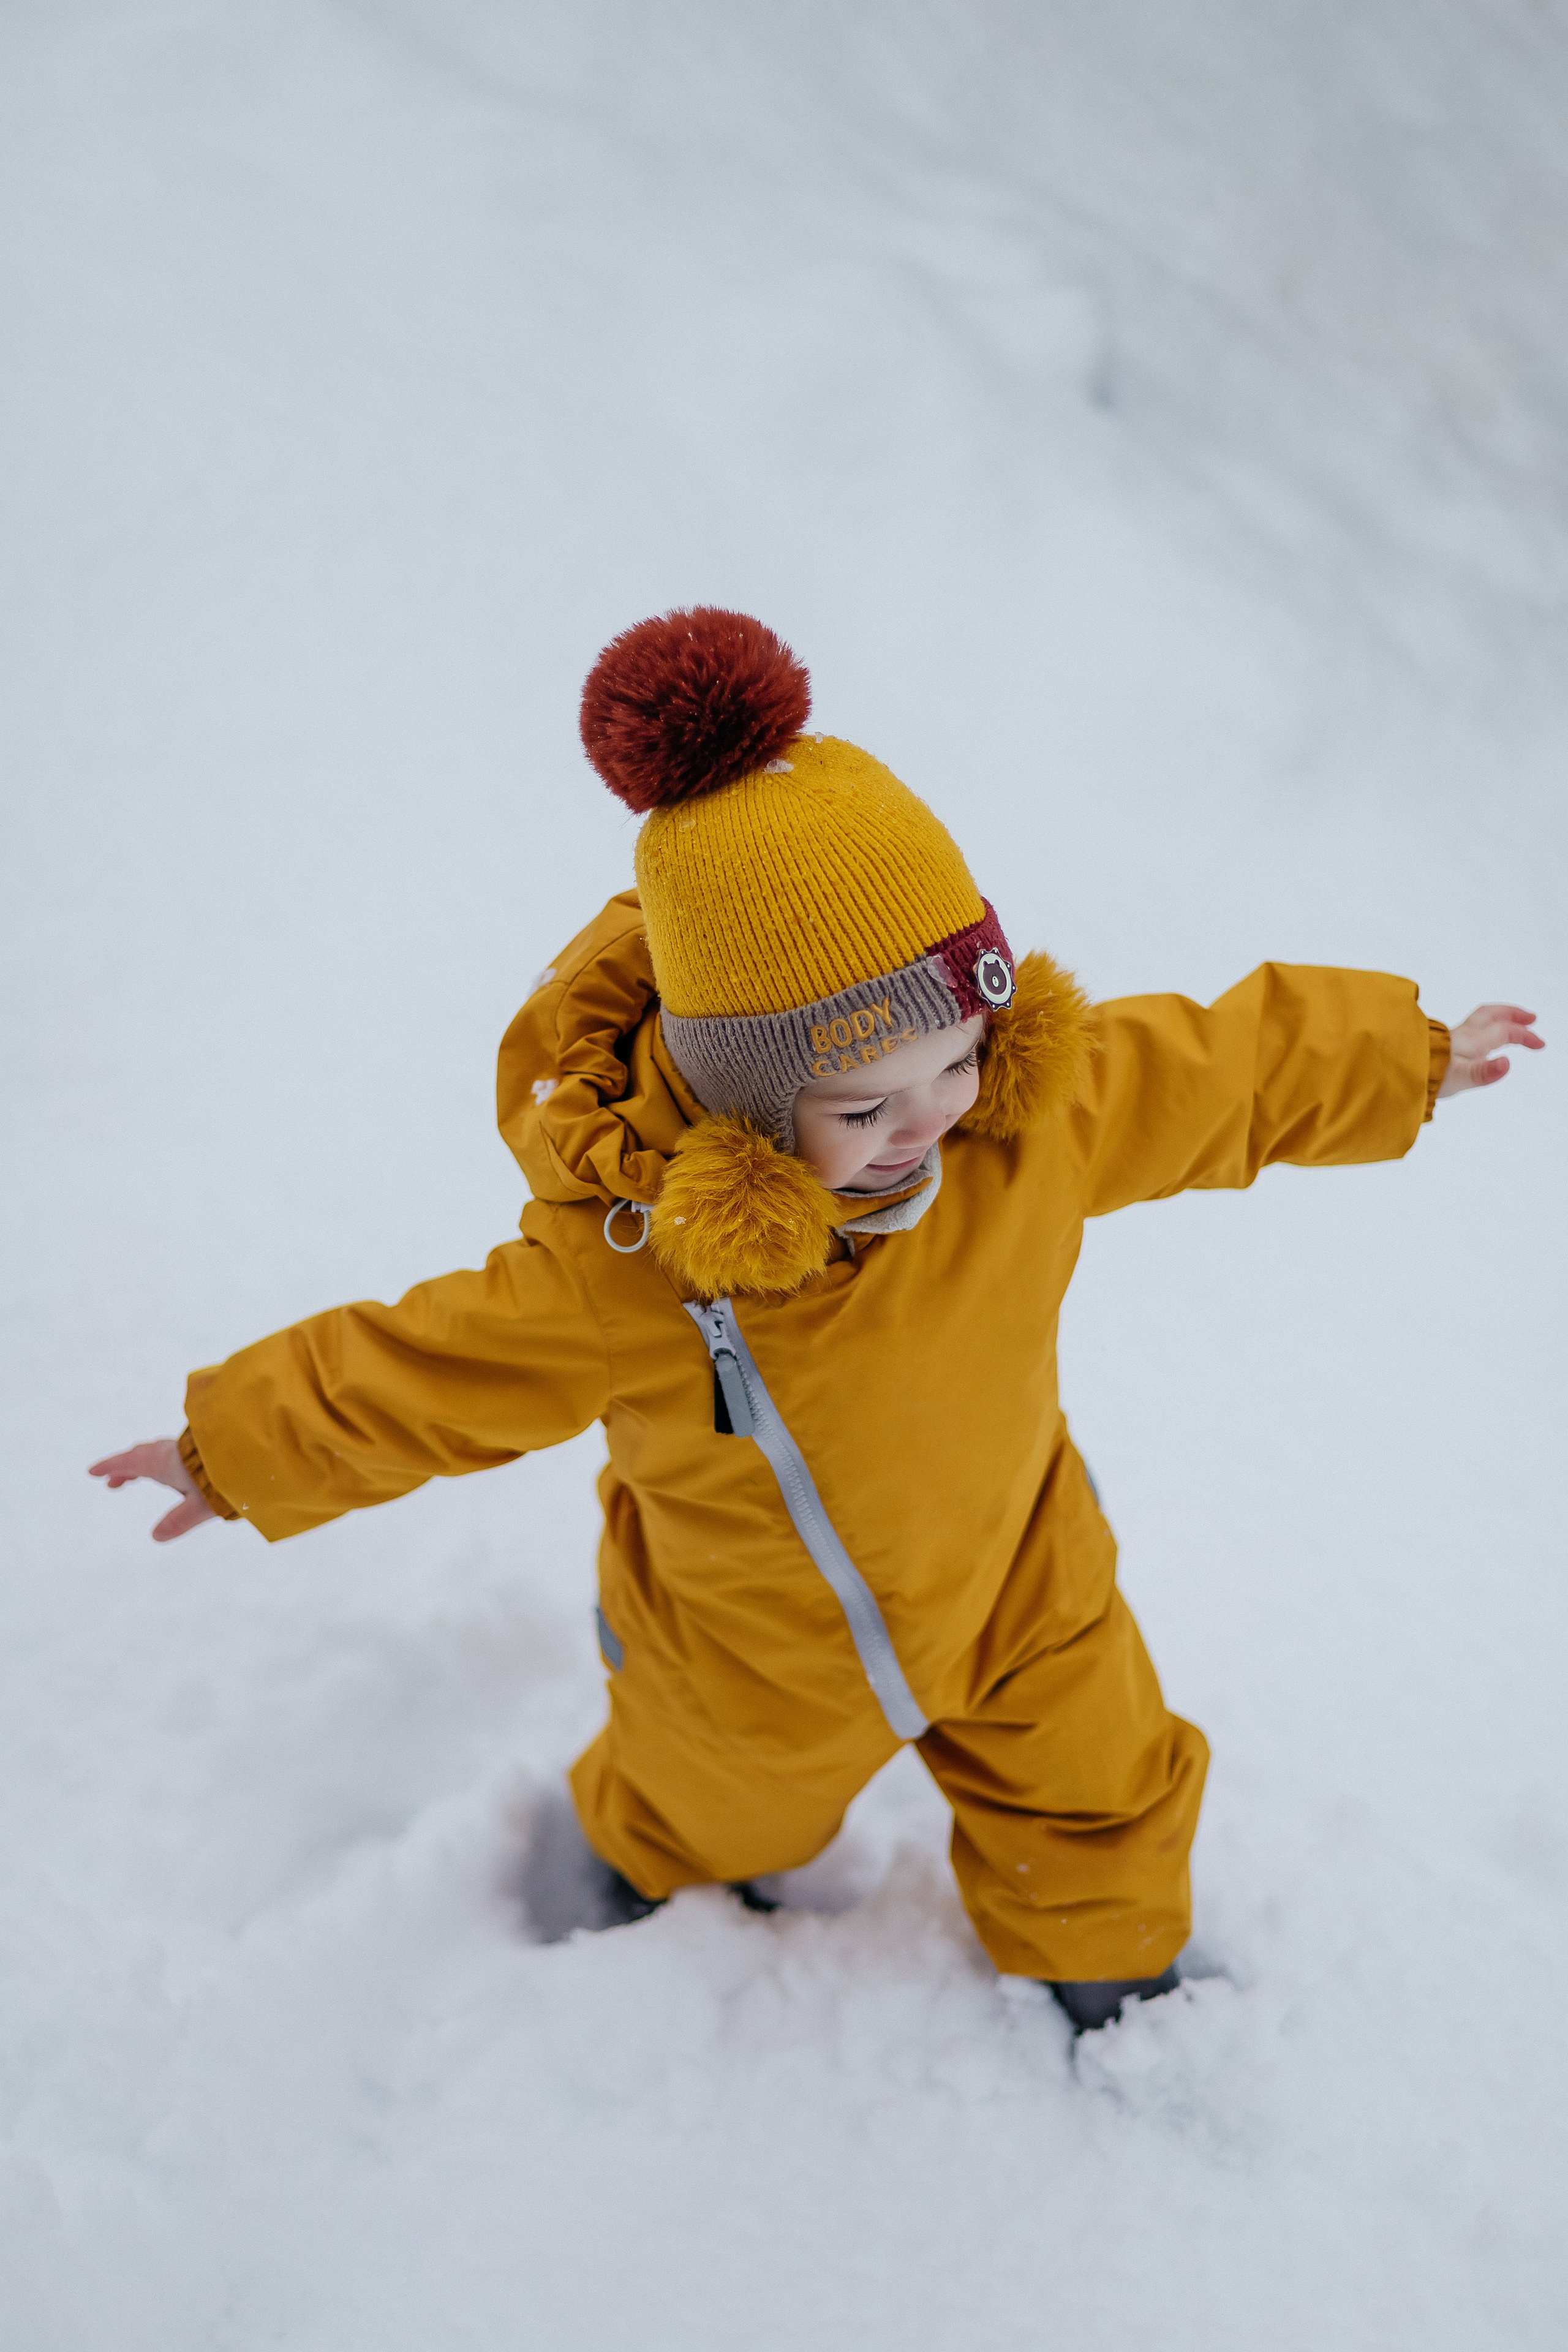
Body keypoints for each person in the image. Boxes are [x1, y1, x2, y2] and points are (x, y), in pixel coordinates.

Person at [91, 609, 1544, 2033]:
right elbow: (423, 1369)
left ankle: (1113, 1973)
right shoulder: (631, 1269)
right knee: (707, 1808)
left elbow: (1220, 1069)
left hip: (1018, 1567)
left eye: (955, 1063)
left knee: (1100, 1780)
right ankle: (617, 1866)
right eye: (859, 1106)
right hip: (754, 1648)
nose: (925, 1123)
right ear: (743, 1098)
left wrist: (1399, 1058)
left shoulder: (1022, 1128)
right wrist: (233, 1449)